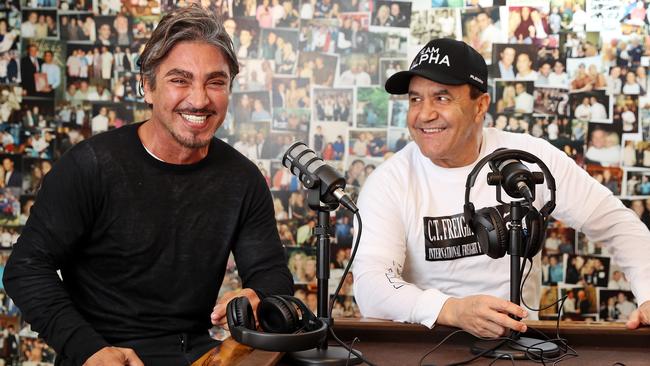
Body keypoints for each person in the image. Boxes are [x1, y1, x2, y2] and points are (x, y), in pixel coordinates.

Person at [3, 6, 293, 366]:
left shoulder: (243, 178)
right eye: (180, 80)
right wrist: (88, 349)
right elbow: (26, 267)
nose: (200, 99)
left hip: (197, 355)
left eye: (215, 82)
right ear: (147, 87)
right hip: (103, 354)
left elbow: (271, 273)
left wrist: (260, 294)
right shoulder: (90, 166)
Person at [352, 38, 650, 339]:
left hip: (521, 344)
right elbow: (371, 285)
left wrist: (648, 295)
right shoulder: (388, 182)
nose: (424, 114)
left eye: (442, 98)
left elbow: (617, 226)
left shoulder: (533, 159)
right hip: (424, 346)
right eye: (415, 99)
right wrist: (452, 310)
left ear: (480, 105)